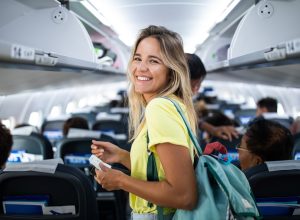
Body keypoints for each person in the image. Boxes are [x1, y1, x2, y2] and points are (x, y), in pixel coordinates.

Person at [91, 25, 197, 219]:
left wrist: (121, 181)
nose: (141, 68)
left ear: (171, 71)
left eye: (154, 61)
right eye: (138, 58)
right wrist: (122, 156)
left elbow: (184, 196)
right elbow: (161, 170)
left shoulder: (160, 108)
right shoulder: (175, 104)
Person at [185, 53, 238, 141]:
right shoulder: (165, 107)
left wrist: (213, 129)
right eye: (193, 85)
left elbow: (191, 120)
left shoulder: (182, 103)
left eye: (198, 86)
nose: (196, 91)